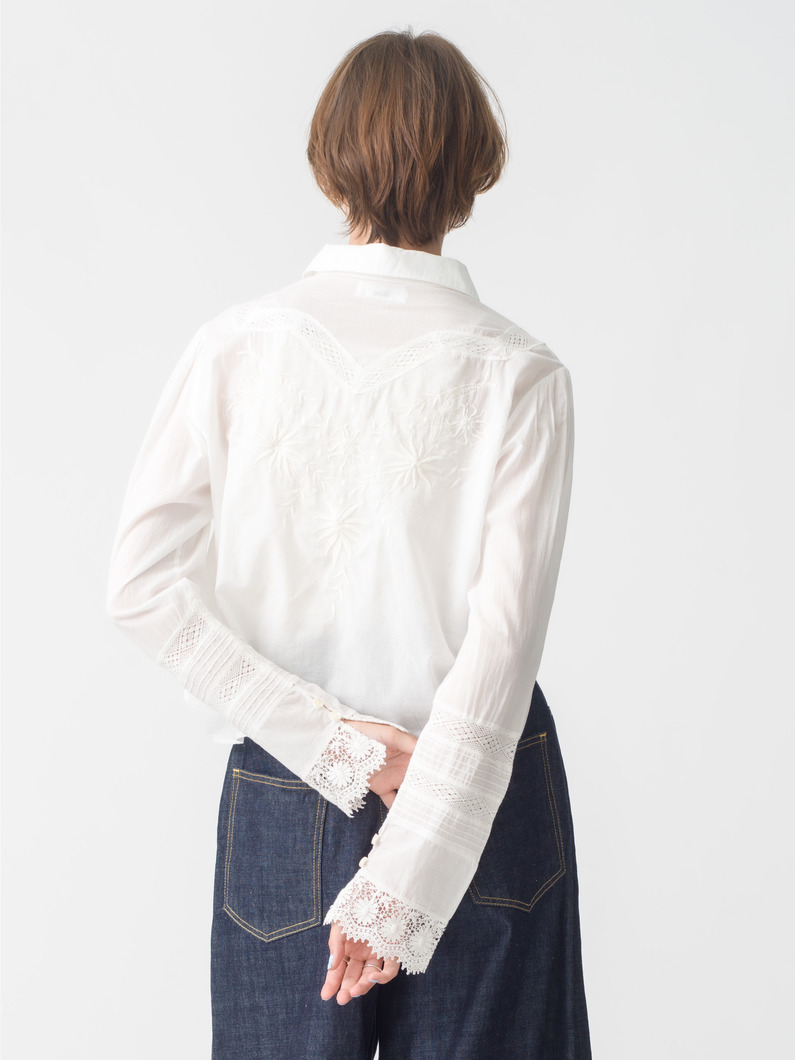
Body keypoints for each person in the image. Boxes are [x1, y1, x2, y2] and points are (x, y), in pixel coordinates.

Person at [106, 26, 592, 1060]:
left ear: (328, 164)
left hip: (291, 794)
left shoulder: (236, 346)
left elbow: (141, 589)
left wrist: (337, 747)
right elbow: (500, 651)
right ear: (476, 171)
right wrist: (407, 854)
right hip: (478, 791)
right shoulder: (519, 372)